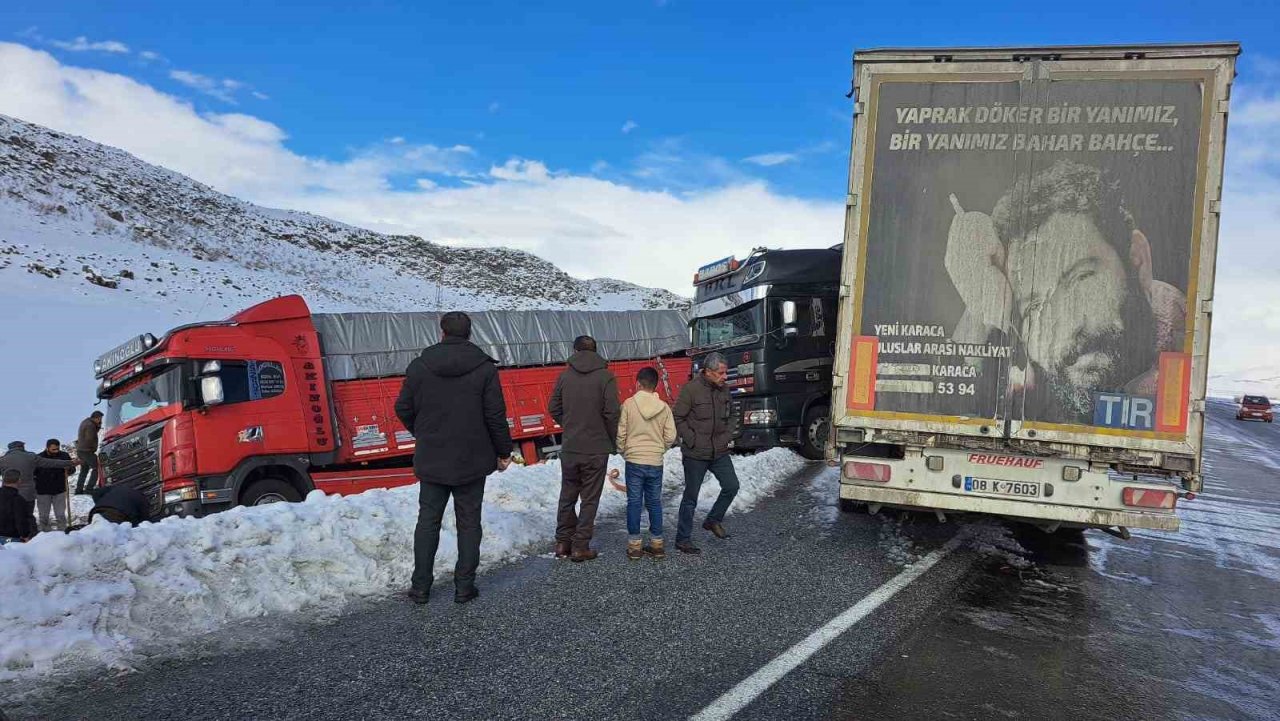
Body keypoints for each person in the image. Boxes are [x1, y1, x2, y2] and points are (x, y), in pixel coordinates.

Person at [947, 160, 1185, 424]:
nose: (1067, 328)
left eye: (1082, 279)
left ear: (1137, 259)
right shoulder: (1031, 380)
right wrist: (980, 300)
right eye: (1034, 307)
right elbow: (957, 405)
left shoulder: (1180, 361)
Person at [395, 311, 513, 605]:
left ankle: (420, 587)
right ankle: (464, 587)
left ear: (442, 332)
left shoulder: (419, 366)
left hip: (432, 456)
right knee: (469, 522)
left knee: (428, 522)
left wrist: (422, 432)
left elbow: (403, 408)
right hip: (472, 459)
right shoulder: (485, 369)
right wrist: (503, 451)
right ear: (469, 333)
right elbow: (495, 416)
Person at [548, 335, 620, 562]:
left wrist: (569, 425)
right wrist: (611, 439)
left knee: (567, 495)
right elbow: (612, 413)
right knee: (590, 498)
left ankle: (562, 543)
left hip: (571, 447)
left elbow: (553, 407)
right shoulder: (606, 376)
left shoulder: (564, 376)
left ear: (575, 351)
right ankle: (580, 546)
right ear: (596, 350)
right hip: (596, 448)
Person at [672, 352, 739, 555]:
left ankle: (713, 520)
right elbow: (677, 417)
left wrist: (727, 435)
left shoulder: (724, 390)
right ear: (708, 372)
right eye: (721, 373)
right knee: (691, 497)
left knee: (732, 486)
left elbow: (733, 416)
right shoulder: (691, 390)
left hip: (719, 450)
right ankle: (683, 539)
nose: (724, 376)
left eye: (725, 372)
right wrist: (691, 440)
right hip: (695, 453)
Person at [612, 367, 677, 560]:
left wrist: (624, 451)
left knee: (634, 502)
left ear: (638, 384)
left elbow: (621, 433)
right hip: (655, 461)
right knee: (654, 502)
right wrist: (659, 449)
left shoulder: (629, 404)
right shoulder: (664, 407)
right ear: (655, 385)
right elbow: (671, 436)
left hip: (634, 460)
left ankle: (634, 547)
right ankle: (657, 545)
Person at [0, 440, 80, 536]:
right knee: (28, 515)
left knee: (7, 515)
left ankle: (10, 537)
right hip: (28, 494)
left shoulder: (2, 460)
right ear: (21, 447)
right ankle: (29, 536)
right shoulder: (31, 457)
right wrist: (70, 462)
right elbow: (51, 463)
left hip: (6, 493)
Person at [35, 438, 72, 532]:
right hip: (43, 491)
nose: (56, 451)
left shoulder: (64, 455)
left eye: (57, 449)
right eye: (53, 449)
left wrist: (69, 469)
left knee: (60, 515)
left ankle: (63, 533)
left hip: (60, 490)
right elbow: (33, 473)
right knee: (43, 516)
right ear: (47, 448)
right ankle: (45, 535)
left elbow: (72, 469)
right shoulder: (39, 458)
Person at [0, 469, 36, 544]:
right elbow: (20, 520)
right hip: (10, 538)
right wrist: (25, 535)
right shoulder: (18, 499)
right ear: (19, 480)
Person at [75, 411, 104, 494]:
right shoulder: (90, 425)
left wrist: (98, 426)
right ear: (96, 418)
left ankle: (78, 490)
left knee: (84, 470)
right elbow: (90, 438)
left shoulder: (86, 422)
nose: (100, 420)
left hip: (80, 450)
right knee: (96, 468)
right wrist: (92, 449)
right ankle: (89, 489)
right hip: (87, 451)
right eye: (100, 419)